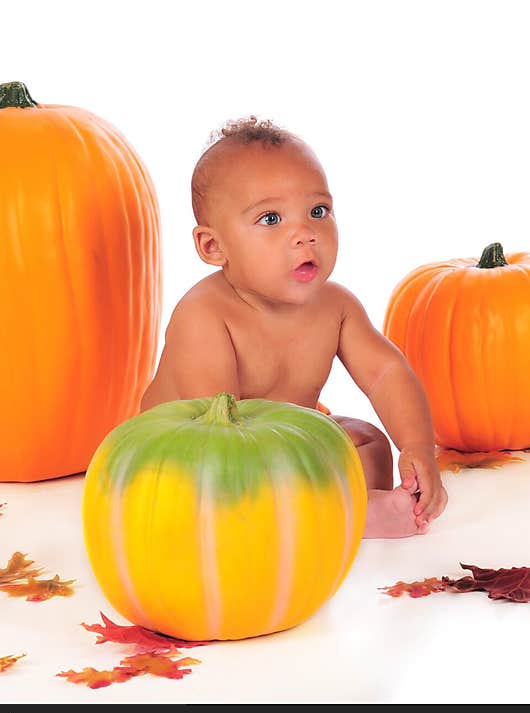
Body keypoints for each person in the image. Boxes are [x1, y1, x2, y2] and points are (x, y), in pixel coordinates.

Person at [140, 116, 447, 537]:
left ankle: (342, 506)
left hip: (281, 440)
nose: (305, 233)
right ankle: (343, 514)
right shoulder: (205, 315)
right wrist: (293, 463)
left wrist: (417, 449)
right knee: (212, 489)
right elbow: (218, 430)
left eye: (317, 211)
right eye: (271, 219)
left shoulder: (336, 306)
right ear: (214, 247)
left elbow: (386, 373)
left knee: (368, 442)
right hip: (189, 457)